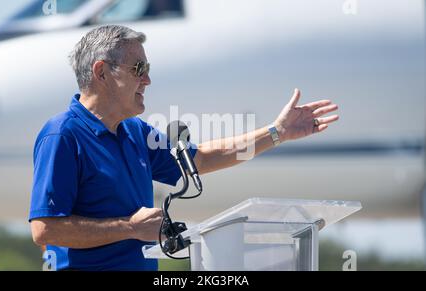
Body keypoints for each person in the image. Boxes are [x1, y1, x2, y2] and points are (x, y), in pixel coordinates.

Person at [29, 25, 339, 271]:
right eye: (139, 68)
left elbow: (199, 158)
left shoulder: (134, 131)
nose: (148, 79)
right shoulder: (61, 135)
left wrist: (277, 133)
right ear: (102, 73)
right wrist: (130, 228)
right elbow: (45, 230)